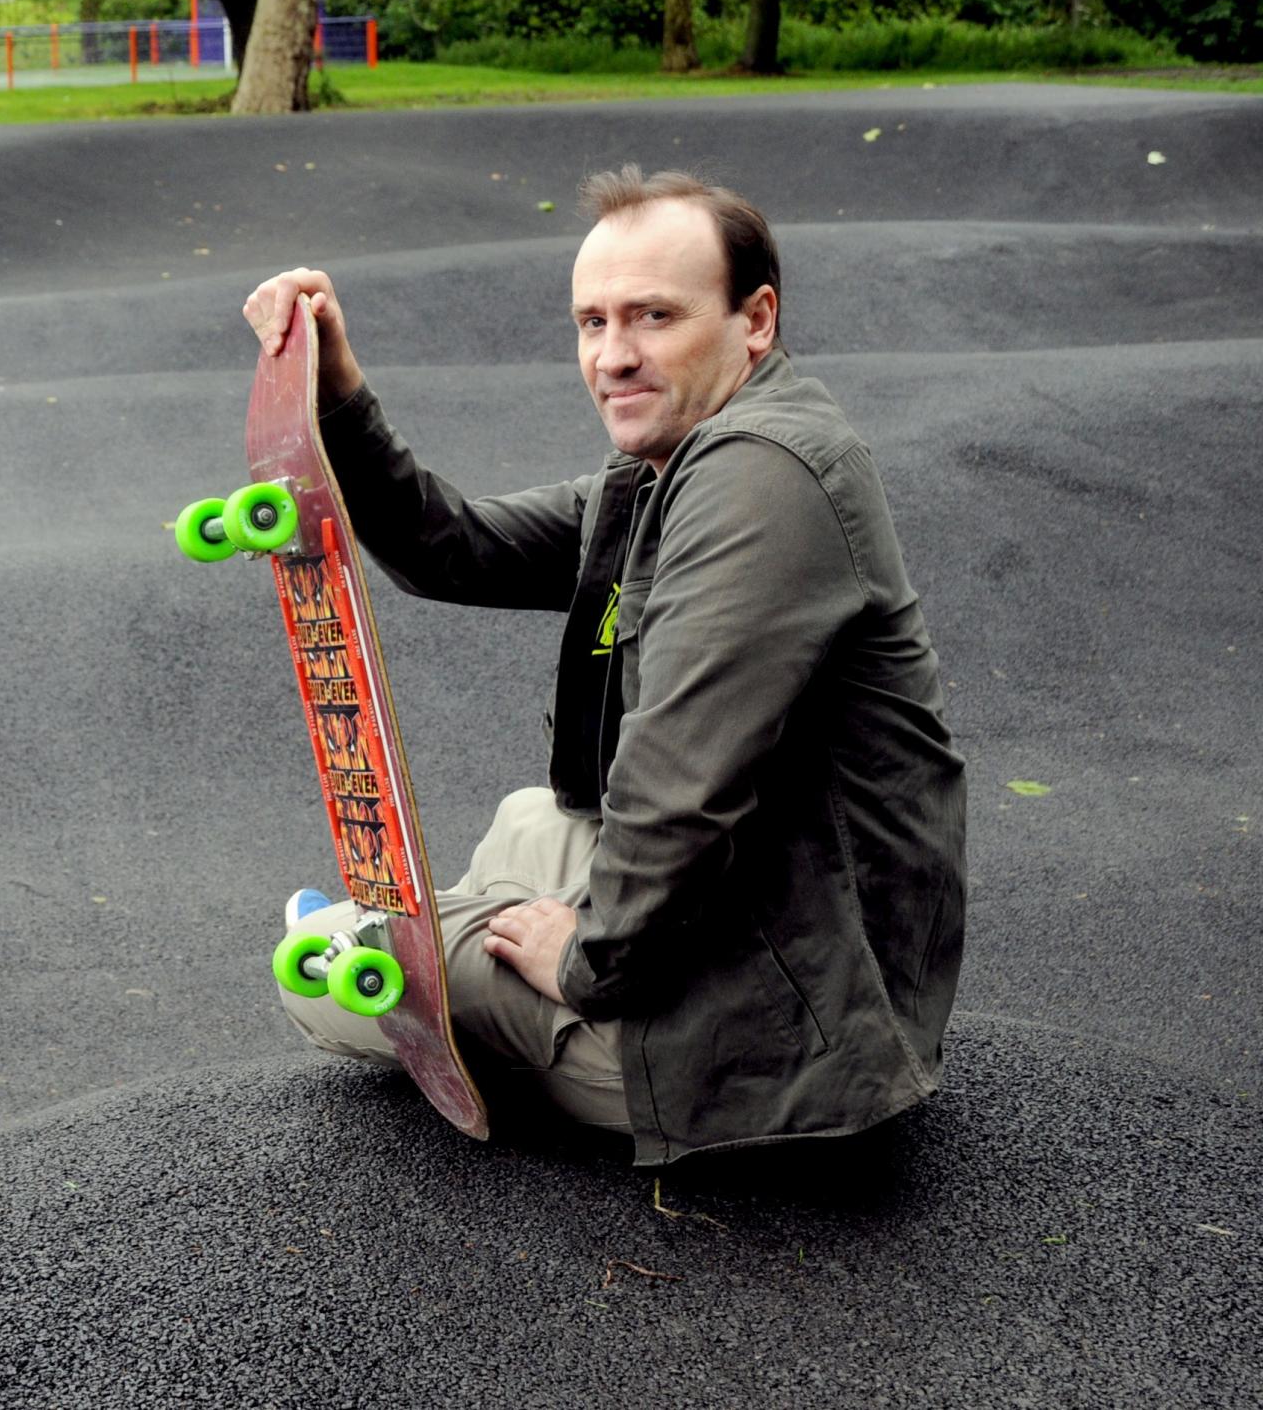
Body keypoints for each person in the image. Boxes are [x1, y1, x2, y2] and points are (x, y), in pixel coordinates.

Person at [243, 166, 966, 1166]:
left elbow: (680, 784)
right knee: (528, 821)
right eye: (592, 322)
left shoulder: (761, 481)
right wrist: (342, 400)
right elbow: (454, 547)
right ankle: (469, 934)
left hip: (781, 1039)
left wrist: (585, 963)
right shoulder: (670, 468)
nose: (613, 356)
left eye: (654, 317)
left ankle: (414, 945)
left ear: (755, 319)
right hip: (788, 916)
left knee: (321, 971)